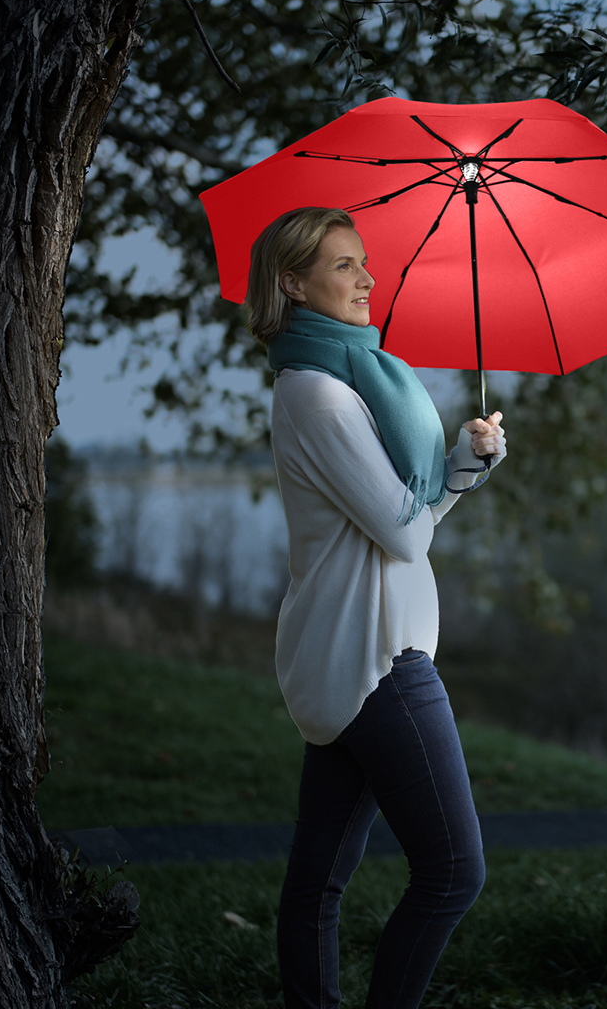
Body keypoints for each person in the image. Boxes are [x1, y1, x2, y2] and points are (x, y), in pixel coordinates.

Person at [244, 206, 506, 1009]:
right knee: (455, 871)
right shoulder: (319, 395)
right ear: (293, 283)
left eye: (364, 262)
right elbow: (403, 533)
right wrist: (453, 479)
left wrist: (464, 462)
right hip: (377, 658)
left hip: (348, 653)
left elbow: (398, 519)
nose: (366, 280)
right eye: (343, 266)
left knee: (317, 881)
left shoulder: (338, 380)